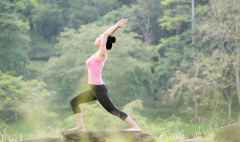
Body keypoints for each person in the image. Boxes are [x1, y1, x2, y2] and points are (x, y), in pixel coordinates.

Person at [65, 19, 141, 134]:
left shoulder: (102, 54)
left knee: (112, 110)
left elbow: (105, 35)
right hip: (93, 89)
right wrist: (109, 33)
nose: (98, 38)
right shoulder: (97, 53)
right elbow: (104, 35)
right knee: (74, 102)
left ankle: (135, 126)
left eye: (100, 39)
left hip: (99, 88)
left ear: (103, 43)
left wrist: (116, 26)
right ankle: (80, 127)